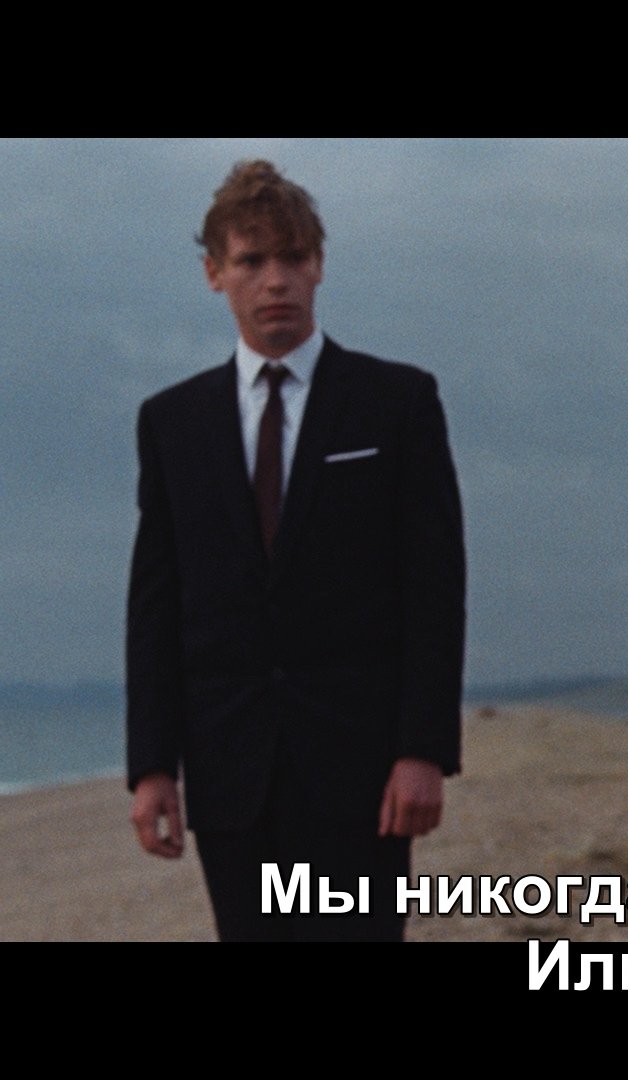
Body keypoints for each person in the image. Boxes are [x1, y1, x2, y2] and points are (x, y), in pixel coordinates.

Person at [126, 160, 465, 941]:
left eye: (293, 257)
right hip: (230, 768)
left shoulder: (396, 402)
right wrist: (152, 766)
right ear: (215, 273)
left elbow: (435, 588)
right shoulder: (173, 423)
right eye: (251, 260)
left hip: (362, 766)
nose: (274, 280)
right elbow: (156, 604)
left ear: (319, 265)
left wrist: (423, 750)